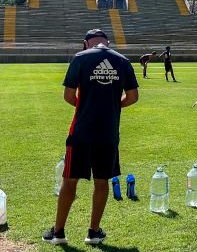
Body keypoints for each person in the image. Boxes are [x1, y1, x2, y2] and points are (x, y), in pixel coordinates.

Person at [43, 29, 139, 246]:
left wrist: (87, 106)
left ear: (86, 43)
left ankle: (58, 233)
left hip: (81, 132)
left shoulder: (80, 58)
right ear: (108, 43)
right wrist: (113, 106)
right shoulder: (122, 61)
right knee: (102, 181)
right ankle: (93, 233)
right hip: (108, 132)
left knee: (70, 181)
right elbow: (133, 97)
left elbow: (68, 95)